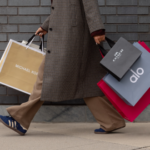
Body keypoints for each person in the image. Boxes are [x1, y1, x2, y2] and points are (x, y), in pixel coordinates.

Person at [0, 0, 125, 135]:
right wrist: (46, 26)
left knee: (47, 77)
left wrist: (97, 30)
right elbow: (61, 10)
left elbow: (90, 4)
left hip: (71, 39)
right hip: (70, 37)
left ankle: (20, 119)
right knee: (87, 81)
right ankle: (111, 121)